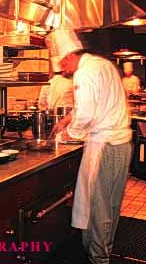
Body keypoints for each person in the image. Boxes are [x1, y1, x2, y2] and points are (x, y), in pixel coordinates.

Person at [47, 28, 132, 264]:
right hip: (120, 144)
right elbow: (96, 101)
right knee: (111, 205)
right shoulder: (101, 65)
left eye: (62, 66)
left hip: (107, 145)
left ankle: (98, 259)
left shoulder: (84, 74)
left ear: (69, 56)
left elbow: (86, 113)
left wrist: (68, 135)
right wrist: (67, 118)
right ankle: (102, 251)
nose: (64, 71)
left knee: (100, 207)